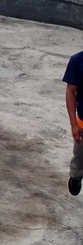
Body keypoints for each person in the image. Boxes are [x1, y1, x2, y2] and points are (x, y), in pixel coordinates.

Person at [63, 50, 83, 196]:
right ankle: (76, 176)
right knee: (79, 158)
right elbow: (71, 91)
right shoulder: (78, 60)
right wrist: (73, 124)